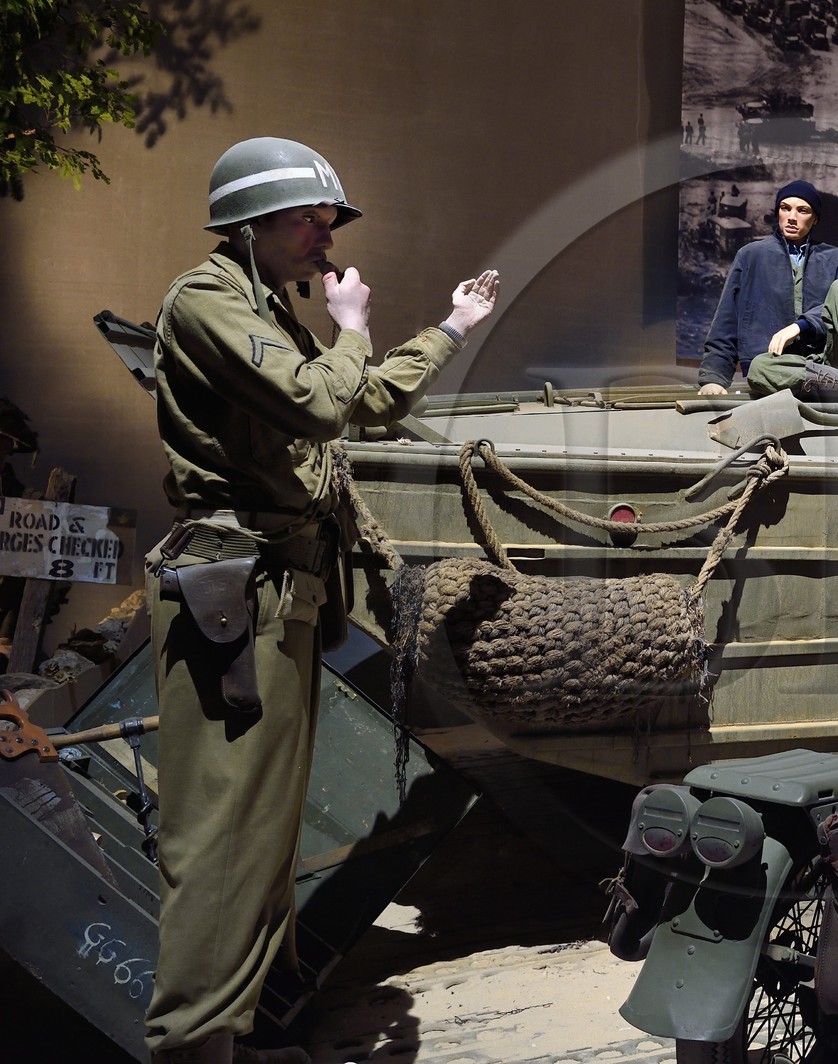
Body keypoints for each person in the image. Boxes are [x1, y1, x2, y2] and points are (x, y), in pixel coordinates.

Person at [143, 136, 499, 1064]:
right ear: (249, 223)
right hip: (237, 589)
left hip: (279, 587)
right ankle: (193, 1048)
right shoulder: (210, 302)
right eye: (308, 219)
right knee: (222, 841)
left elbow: (366, 401)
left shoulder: (267, 310)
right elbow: (317, 402)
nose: (325, 235)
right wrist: (351, 327)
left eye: (328, 219)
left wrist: (453, 328)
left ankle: (244, 1033)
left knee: (262, 837)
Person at [695, 178, 838, 424]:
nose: (792, 217)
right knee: (760, 367)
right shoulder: (750, 256)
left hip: (832, 358)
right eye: (785, 208)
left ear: (815, 218)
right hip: (782, 368)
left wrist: (802, 325)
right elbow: (726, 321)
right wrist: (713, 377)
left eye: (802, 210)